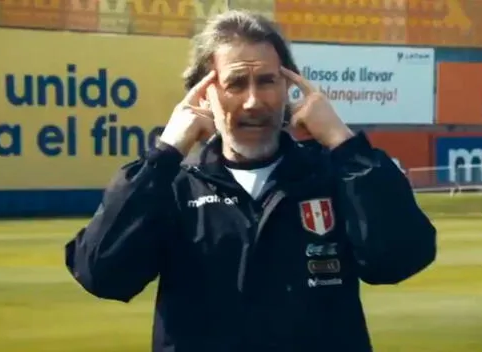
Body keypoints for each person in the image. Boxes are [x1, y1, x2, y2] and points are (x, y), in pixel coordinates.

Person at [65, 10, 437, 352]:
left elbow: (400, 259)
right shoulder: (172, 185)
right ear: (204, 94)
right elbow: (102, 274)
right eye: (236, 83)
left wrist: (344, 143)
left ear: (290, 87)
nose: (253, 101)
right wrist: (163, 155)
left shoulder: (331, 174)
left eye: (267, 81)